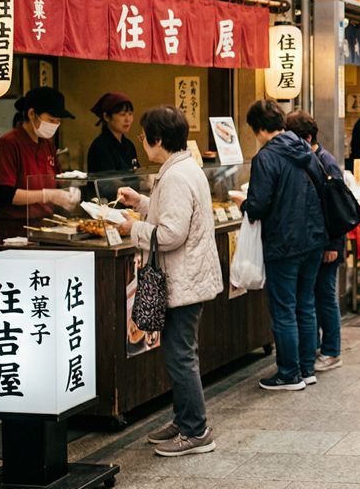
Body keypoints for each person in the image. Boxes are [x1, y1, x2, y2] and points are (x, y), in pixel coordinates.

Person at [115, 106, 223, 457]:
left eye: (144, 135)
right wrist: (143, 203)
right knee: (180, 353)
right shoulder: (183, 168)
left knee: (180, 356)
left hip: (184, 280)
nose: (142, 141)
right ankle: (184, 420)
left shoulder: (176, 176)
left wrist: (134, 228)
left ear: (157, 139)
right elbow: (174, 214)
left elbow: (172, 233)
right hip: (189, 277)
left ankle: (195, 430)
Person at [236, 100, 329, 390]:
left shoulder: (266, 157)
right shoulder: (305, 149)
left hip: (284, 243)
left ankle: (289, 374)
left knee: (284, 309)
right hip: (313, 239)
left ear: (261, 129)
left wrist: (244, 204)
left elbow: (260, 204)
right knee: (306, 304)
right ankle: (306, 368)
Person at [284, 110, 345, 373]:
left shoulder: (324, 162)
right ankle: (320, 345)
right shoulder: (309, 159)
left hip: (328, 242)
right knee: (314, 297)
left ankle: (332, 351)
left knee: (325, 296)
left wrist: (333, 245)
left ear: (307, 137)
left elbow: (336, 207)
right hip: (315, 241)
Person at [0, 87, 80, 250]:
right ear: (31, 114)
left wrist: (68, 194)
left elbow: (57, 182)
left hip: (43, 231)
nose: (55, 125)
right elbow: (4, 195)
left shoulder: (47, 145)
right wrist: (47, 195)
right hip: (12, 235)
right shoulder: (8, 145)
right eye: (51, 120)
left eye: (58, 121)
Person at [86, 92, 139, 174]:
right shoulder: (100, 146)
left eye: (130, 114)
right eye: (122, 114)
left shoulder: (129, 145)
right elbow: (108, 182)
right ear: (106, 116)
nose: (127, 119)